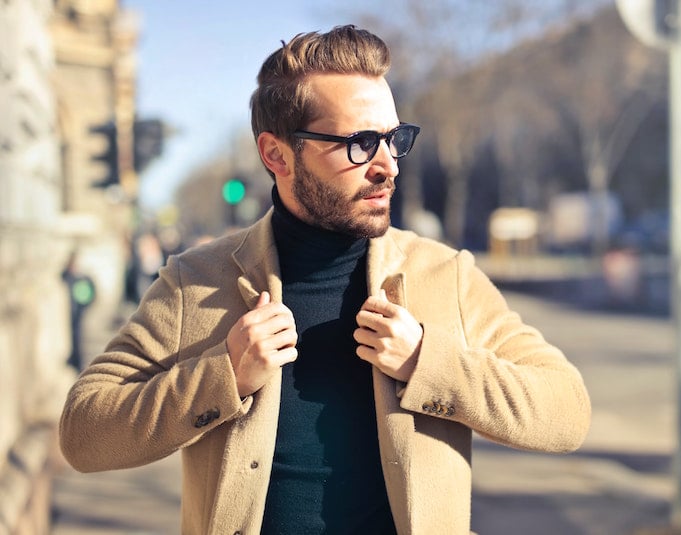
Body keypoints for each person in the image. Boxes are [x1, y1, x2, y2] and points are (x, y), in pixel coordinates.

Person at [59, 25, 591, 534]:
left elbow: (566, 412)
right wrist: (223, 376)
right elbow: (83, 434)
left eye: (393, 139)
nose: (387, 166)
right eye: (360, 142)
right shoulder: (195, 283)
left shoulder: (446, 276)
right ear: (277, 155)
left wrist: (430, 363)